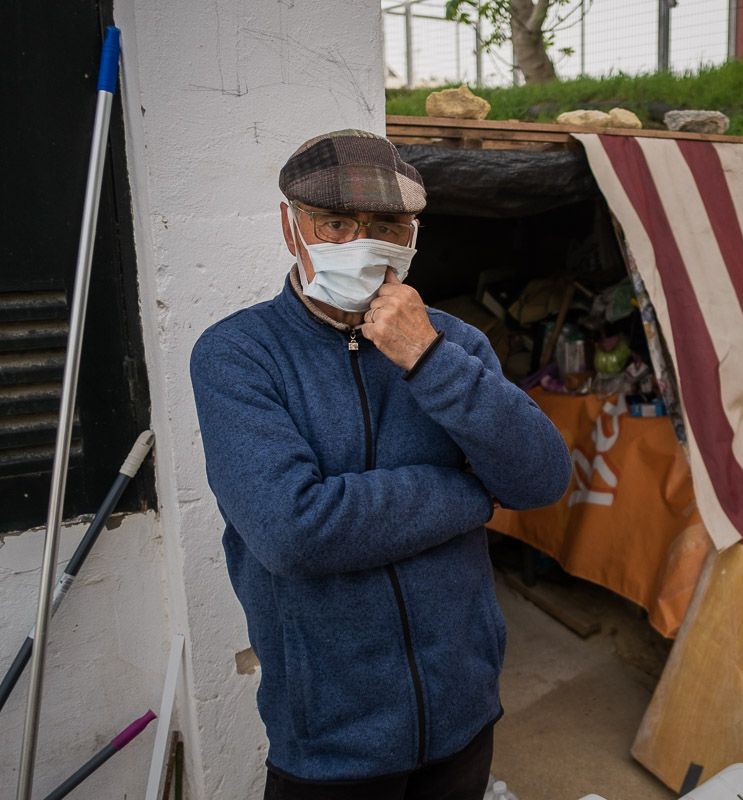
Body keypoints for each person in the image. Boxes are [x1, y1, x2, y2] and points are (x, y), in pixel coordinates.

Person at [190, 129, 571, 799]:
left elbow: (540, 479)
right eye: (334, 222)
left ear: (414, 234)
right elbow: (294, 532)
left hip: (464, 714)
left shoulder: (456, 344)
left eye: (387, 225)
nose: (360, 242)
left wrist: (427, 358)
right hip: (330, 740)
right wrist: (467, 496)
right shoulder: (238, 356)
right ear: (291, 228)